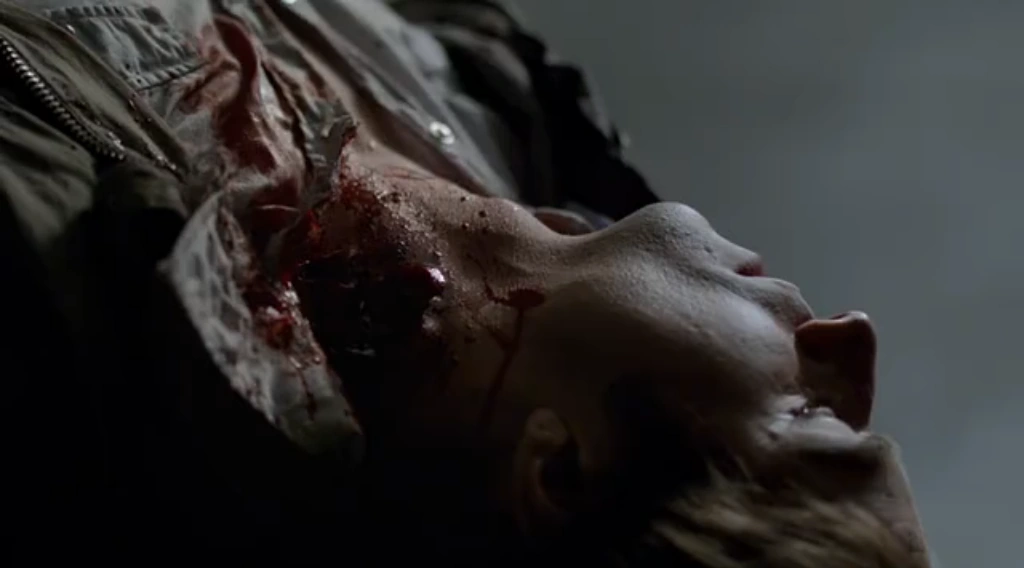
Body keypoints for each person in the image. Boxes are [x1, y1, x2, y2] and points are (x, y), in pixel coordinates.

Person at [0, 0, 930, 565]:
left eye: (810, 419)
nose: (852, 335)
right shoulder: (503, 102)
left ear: (564, 471)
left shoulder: (51, 313)